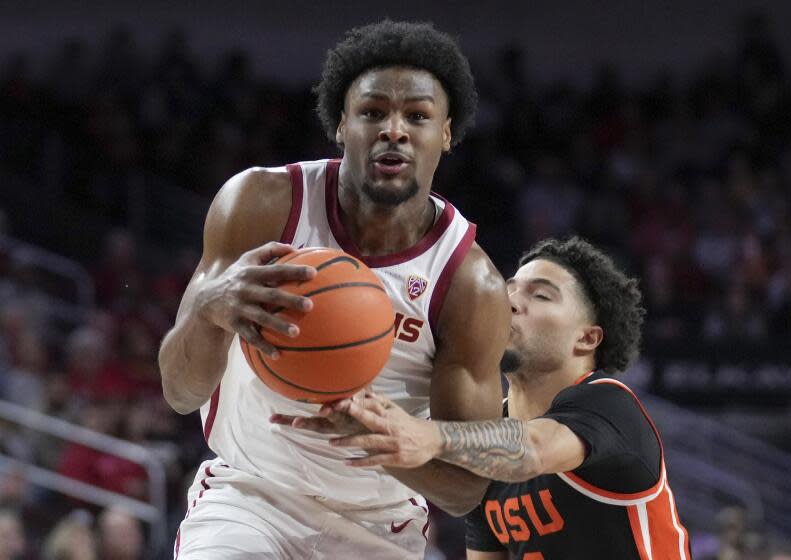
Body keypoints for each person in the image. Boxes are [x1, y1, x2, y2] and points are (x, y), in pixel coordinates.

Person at [158, 20, 510, 559]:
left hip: (379, 525)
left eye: (417, 116)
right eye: (373, 112)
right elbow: (180, 392)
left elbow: (466, 490)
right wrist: (210, 310)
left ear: (446, 132)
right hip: (251, 498)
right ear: (341, 124)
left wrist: (376, 439)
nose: (395, 129)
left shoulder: (468, 284)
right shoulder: (262, 204)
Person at [324, 237, 692, 559]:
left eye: (541, 295)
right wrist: (364, 428)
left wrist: (428, 436)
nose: (510, 303)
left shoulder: (610, 404)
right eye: (510, 289)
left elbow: (531, 451)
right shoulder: (484, 439)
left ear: (587, 339)